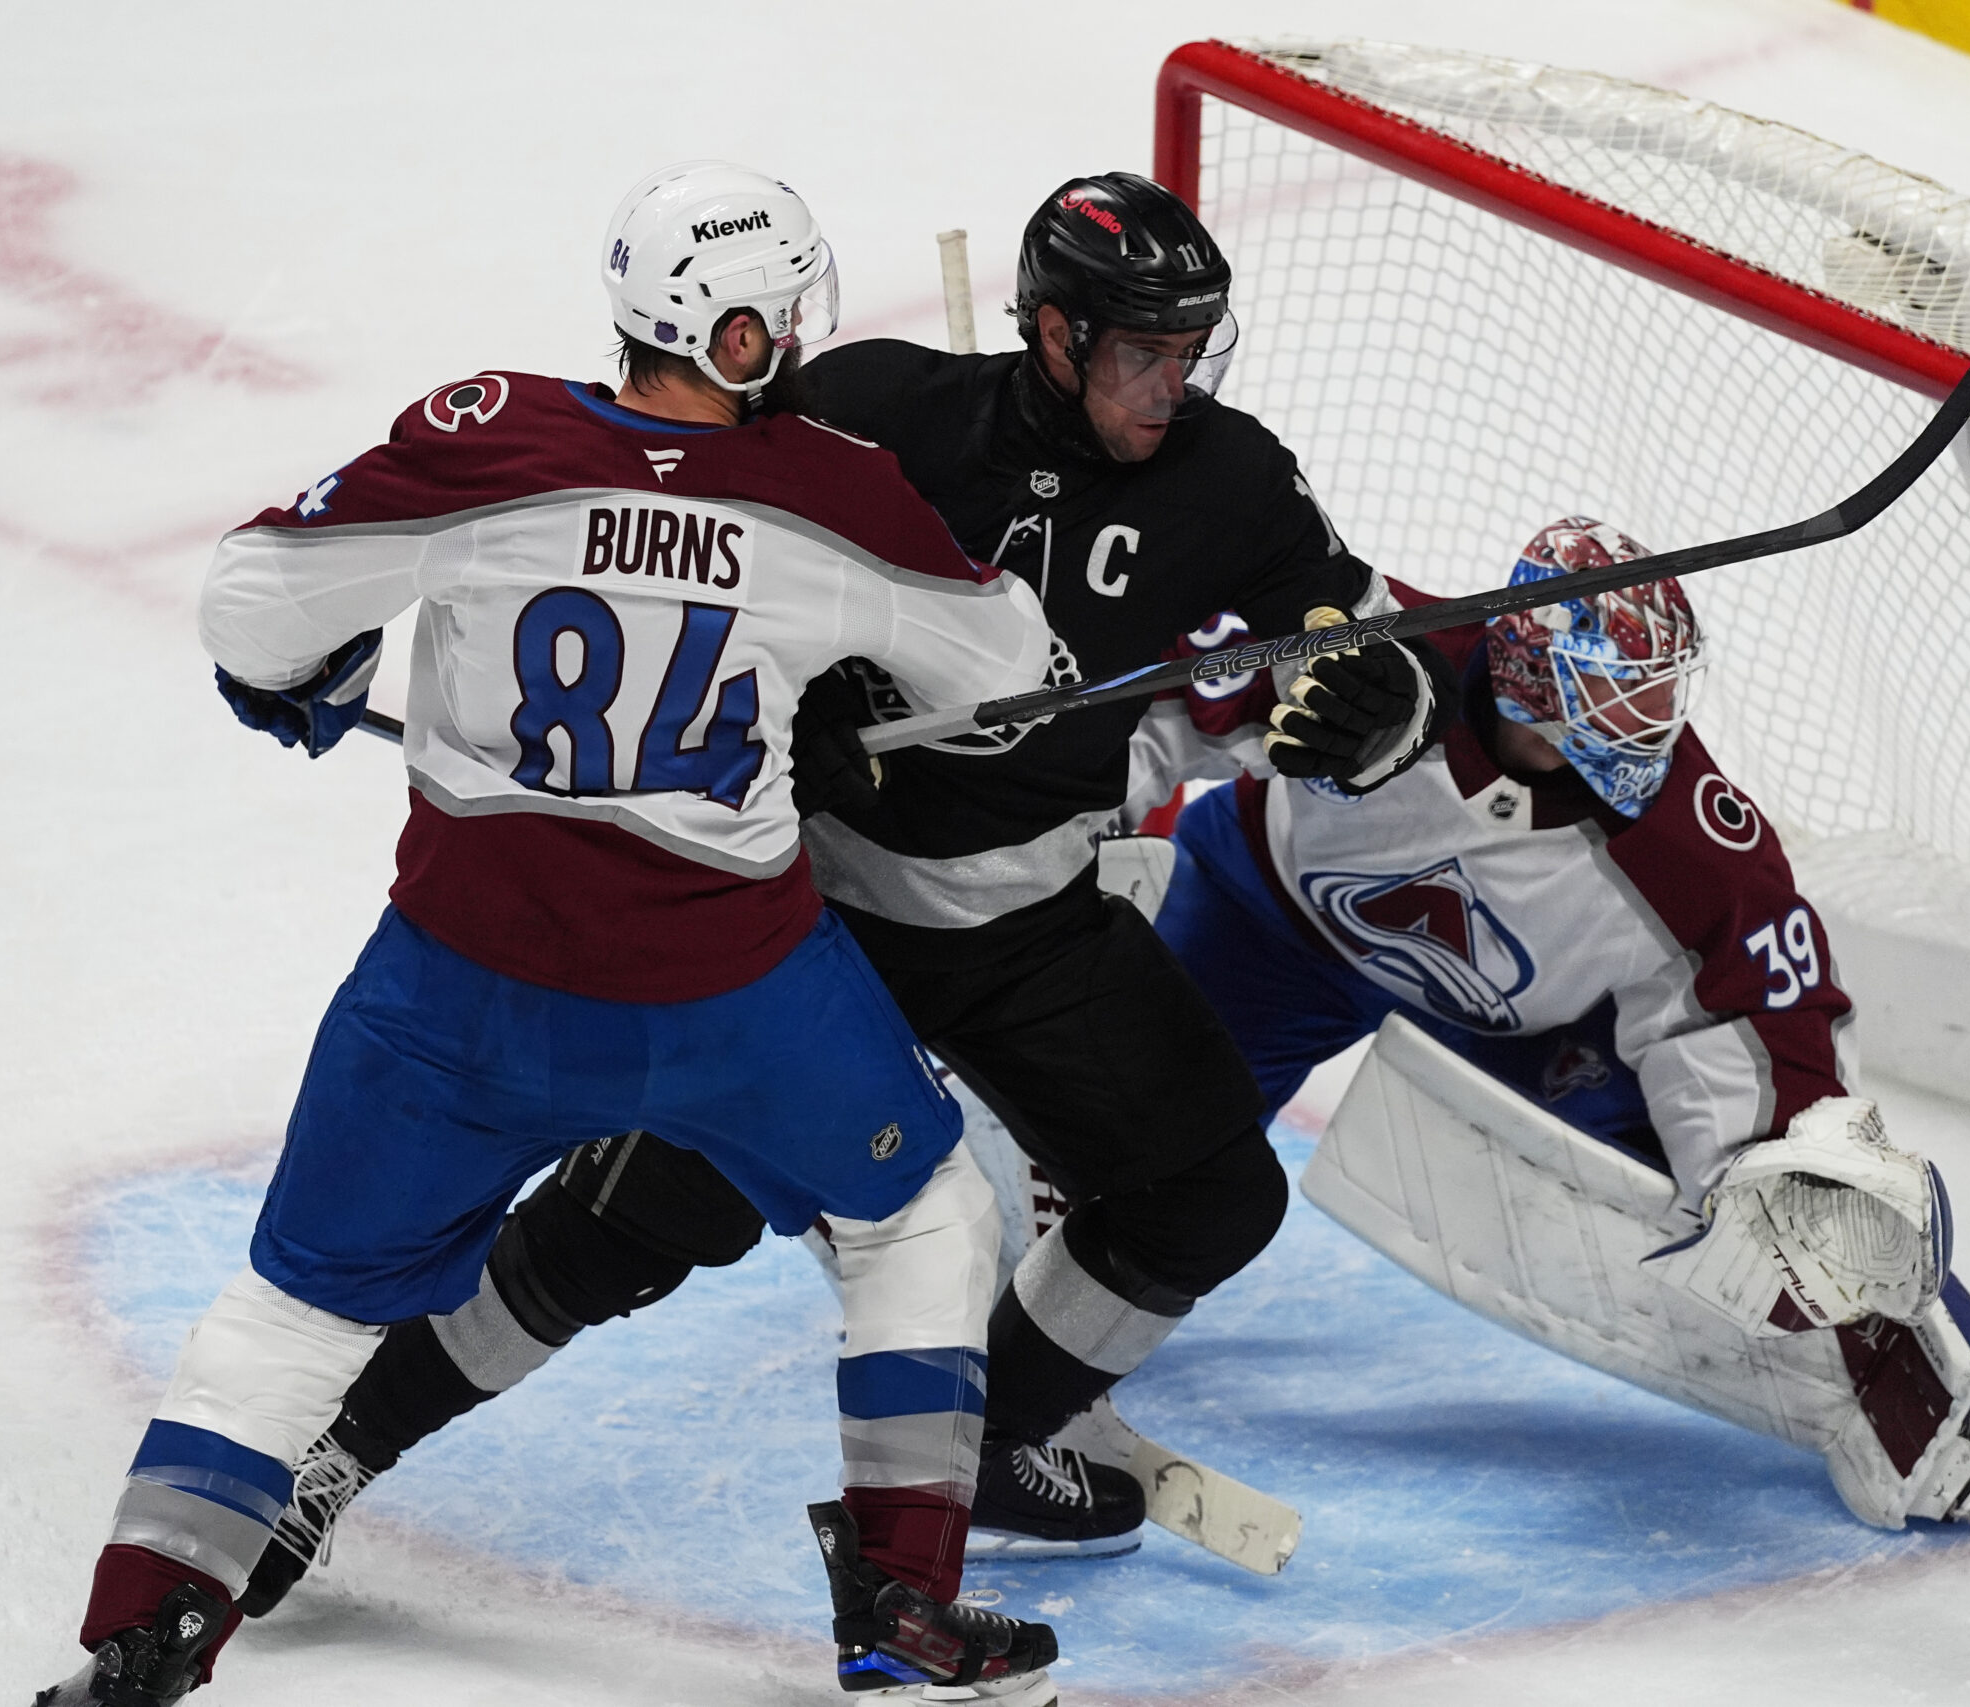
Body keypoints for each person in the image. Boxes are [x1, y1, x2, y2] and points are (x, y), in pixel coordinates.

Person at [230, 169, 1454, 1610]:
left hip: (1028, 918)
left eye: (1192, 351)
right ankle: (330, 1455)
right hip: (806, 917)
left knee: (1211, 1192)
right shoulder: (880, 409)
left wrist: (1379, 710)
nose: (1172, 384)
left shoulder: (1232, 476)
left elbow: (1361, 637)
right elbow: (672, 520)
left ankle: (988, 1444)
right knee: (630, 1225)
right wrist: (776, 710)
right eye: (1142, 351)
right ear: (1053, 333)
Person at [35, 161, 1066, 1707]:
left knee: (305, 1299)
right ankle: (900, 1597)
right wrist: (858, 685)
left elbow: (248, 606)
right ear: (735, 334)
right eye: (782, 314)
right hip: (733, 999)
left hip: (461, 992)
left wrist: (309, 674)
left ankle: (152, 1620)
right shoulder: (828, 489)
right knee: (924, 1215)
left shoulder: (489, 438)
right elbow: (1007, 674)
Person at [1133, 515, 1970, 1536]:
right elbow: (1158, 698)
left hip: (1526, 1036)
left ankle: (1916, 1403)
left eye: (1659, 691)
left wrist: (1804, 1218)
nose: (1648, 722)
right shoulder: (1372, 649)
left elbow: (1763, 1029)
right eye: (1616, 692)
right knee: (1117, 1170)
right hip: (1265, 924)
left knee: (1780, 1212)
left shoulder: (1694, 845)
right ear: (1526, 679)